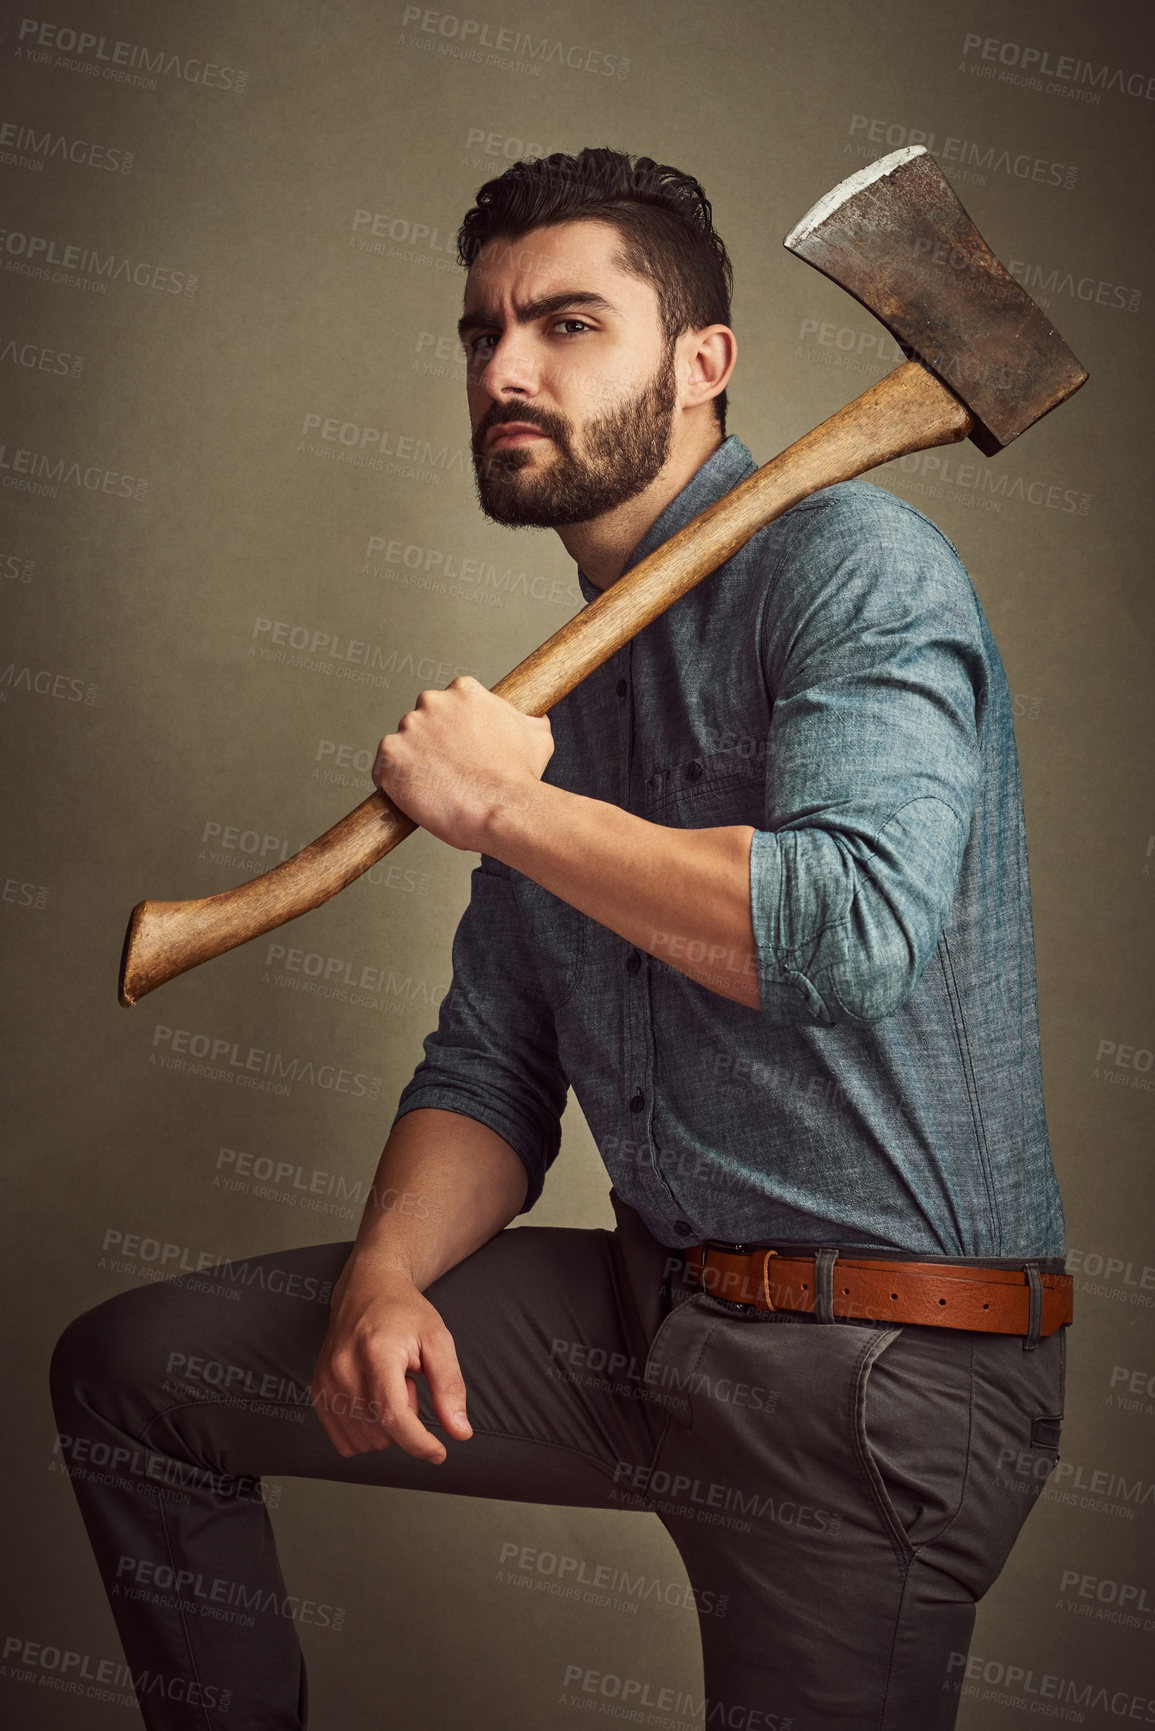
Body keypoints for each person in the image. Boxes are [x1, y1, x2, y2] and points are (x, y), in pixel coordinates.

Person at [52, 148, 1070, 1730]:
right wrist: (386, 1276)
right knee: (134, 1376)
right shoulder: (556, 702)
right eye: (483, 332)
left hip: (872, 1368)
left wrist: (503, 816)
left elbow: (852, 927)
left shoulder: (856, 572)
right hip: (649, 1319)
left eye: (570, 323)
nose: (506, 368)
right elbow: (494, 1064)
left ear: (704, 362)